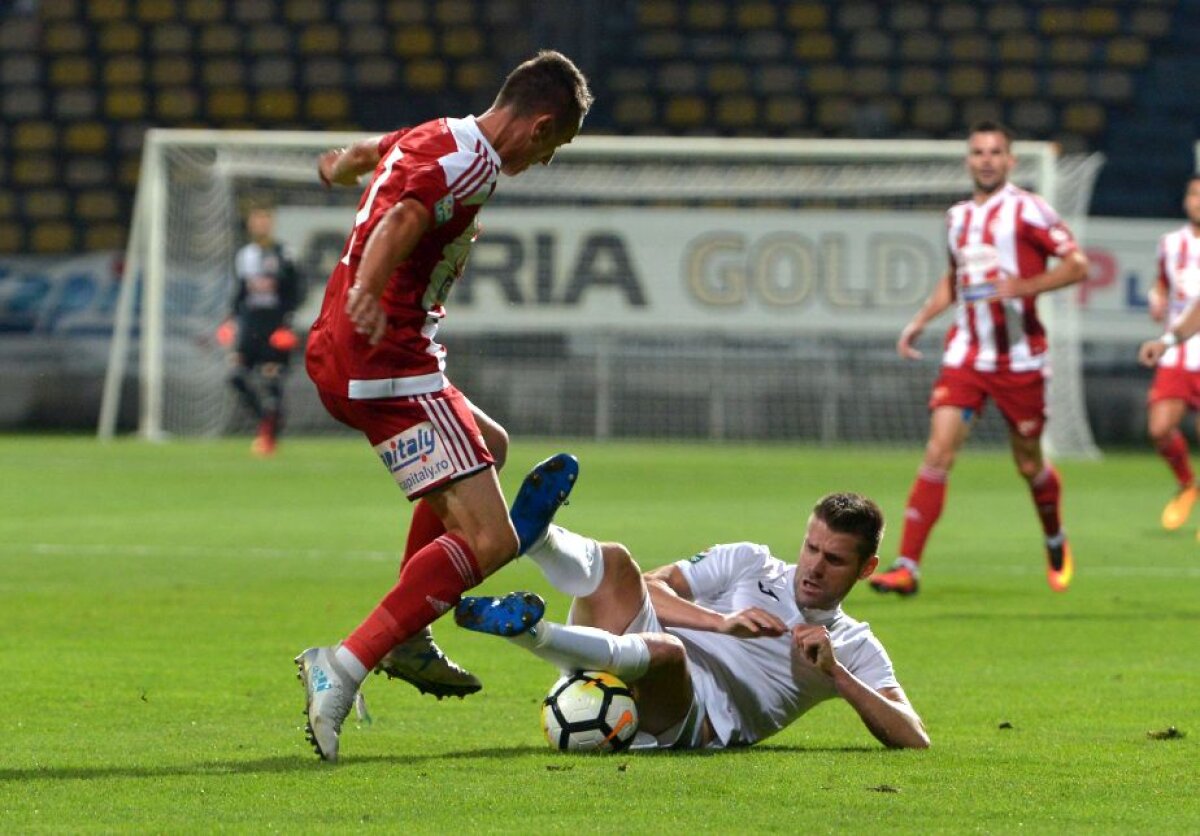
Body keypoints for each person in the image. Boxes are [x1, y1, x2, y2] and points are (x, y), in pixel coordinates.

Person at [293, 50, 594, 763]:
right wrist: (370, 286)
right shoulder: (472, 165)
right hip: (387, 364)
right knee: (489, 541)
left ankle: (409, 634)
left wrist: (338, 166)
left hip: (353, 352)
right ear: (541, 124)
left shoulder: (439, 133)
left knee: (488, 442)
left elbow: (374, 153)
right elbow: (402, 218)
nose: (546, 160)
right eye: (555, 145)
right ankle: (344, 666)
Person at [456, 478, 930, 751]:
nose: (814, 567)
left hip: (689, 719)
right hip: (632, 647)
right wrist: (720, 622)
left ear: (867, 569)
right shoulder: (749, 561)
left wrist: (837, 675)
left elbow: (914, 737)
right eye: (811, 548)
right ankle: (537, 539)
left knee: (668, 652)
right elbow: (646, 587)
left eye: (835, 559)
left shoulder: (853, 645)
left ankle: (531, 629)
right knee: (619, 561)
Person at [868, 120, 1089, 598]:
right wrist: (920, 319)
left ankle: (1054, 536)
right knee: (938, 451)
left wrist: (1026, 287)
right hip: (966, 355)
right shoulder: (957, 217)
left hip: (1020, 361)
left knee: (1030, 466)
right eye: (978, 152)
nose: (986, 159)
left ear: (1010, 161)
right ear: (968, 160)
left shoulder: (1030, 210)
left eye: (995, 152)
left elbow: (1078, 264)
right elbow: (955, 279)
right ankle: (907, 565)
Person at [1138, 176, 1200, 532]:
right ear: (1184, 201)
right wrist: (1156, 297)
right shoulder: (1170, 244)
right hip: (1177, 352)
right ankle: (1187, 484)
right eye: (1193, 193)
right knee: (1160, 428)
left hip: (1177, 341)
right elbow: (1161, 281)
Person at [216, 205, 302, 456]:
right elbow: (240, 293)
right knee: (236, 376)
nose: (261, 226)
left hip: (275, 326)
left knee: (271, 379)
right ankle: (267, 419)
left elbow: (296, 292)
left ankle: (267, 436)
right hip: (250, 325)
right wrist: (230, 320)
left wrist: (287, 323)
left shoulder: (285, 254)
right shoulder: (244, 256)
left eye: (265, 221)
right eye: (257, 221)